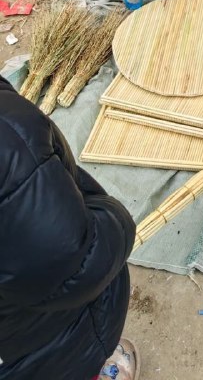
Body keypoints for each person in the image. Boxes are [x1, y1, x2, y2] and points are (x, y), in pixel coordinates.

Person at [0, 75, 139, 380]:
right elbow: (76, 267)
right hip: (33, 341)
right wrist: (115, 217)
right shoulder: (8, 141)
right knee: (69, 359)